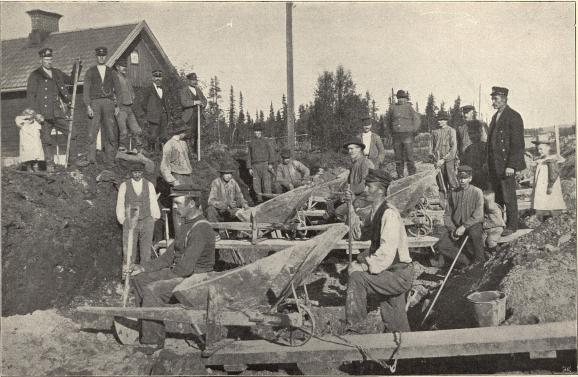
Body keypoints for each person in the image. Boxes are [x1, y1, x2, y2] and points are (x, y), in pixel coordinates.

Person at [130, 185, 215, 349]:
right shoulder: (187, 225)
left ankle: (152, 341)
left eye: (178, 203)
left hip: (197, 278)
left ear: (191, 204)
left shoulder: (202, 229)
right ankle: (147, 327)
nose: (174, 207)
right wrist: (143, 268)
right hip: (183, 273)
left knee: (153, 290)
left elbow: (185, 269)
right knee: (139, 279)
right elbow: (168, 257)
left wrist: (161, 275)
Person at [345, 168, 414, 333]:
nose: (365, 190)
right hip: (389, 272)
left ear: (381, 190)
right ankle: (407, 350)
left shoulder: (389, 214)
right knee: (396, 323)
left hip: (398, 274)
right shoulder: (375, 211)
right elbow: (360, 234)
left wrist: (363, 266)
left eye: (369, 186)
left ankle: (356, 330)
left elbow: (386, 252)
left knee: (357, 279)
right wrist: (352, 211)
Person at [26, 47, 80, 172]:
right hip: (43, 113)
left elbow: (72, 81)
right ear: (41, 60)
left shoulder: (57, 72)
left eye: (50, 59)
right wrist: (36, 114)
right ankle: (49, 164)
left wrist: (77, 66)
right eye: (46, 59)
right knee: (46, 139)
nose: (49, 61)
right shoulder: (35, 75)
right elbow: (30, 96)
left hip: (57, 111)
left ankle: (73, 162)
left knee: (72, 132)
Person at [487, 86, 526, 236]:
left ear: (504, 99)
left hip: (506, 166)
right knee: (498, 196)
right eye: (492, 98)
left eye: (495, 99)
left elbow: (518, 144)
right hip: (495, 165)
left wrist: (511, 165)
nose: (493, 102)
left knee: (509, 195)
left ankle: (512, 225)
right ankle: (499, 223)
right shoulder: (495, 116)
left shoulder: (513, 116)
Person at [435, 165, 485, 266]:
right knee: (442, 245)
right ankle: (466, 262)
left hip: (472, 224)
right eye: (460, 178)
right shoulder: (453, 193)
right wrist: (452, 229)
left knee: (475, 234)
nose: (462, 181)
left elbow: (479, 215)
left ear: (470, 178)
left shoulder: (477, 192)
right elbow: (447, 215)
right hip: (456, 227)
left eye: (465, 178)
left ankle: (480, 262)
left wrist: (464, 226)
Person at [116, 161, 160, 265]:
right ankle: (128, 275)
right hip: (130, 221)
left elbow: (153, 201)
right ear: (131, 172)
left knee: (146, 249)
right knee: (129, 250)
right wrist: (122, 219)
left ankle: (144, 275)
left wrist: (154, 217)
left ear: (142, 172)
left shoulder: (149, 185)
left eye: (139, 172)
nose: (137, 174)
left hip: (146, 220)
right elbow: (120, 203)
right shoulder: (124, 185)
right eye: (135, 172)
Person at [83, 47, 118, 167]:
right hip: (95, 103)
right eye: (99, 56)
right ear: (96, 57)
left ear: (106, 56)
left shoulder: (112, 72)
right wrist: (88, 106)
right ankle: (91, 159)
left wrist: (117, 105)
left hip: (109, 103)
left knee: (110, 131)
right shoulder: (90, 71)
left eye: (103, 56)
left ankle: (110, 160)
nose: (101, 58)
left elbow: (118, 90)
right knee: (92, 132)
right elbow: (86, 90)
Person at [334, 139, 374, 221]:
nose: (349, 151)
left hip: (365, 198)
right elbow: (349, 182)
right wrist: (344, 192)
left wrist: (350, 192)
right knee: (334, 204)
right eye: (348, 149)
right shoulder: (354, 164)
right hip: (356, 196)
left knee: (338, 212)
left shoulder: (365, 163)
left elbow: (365, 184)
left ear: (359, 149)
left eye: (352, 149)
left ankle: (353, 229)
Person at [386, 90, 421, 178]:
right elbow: (387, 121)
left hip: (407, 135)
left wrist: (413, 130)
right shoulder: (392, 108)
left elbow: (417, 120)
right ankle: (400, 175)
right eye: (399, 98)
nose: (401, 100)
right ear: (397, 99)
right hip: (396, 136)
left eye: (403, 98)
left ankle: (412, 175)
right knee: (398, 158)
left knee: (409, 156)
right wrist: (390, 133)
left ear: (406, 99)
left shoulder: (409, 107)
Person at [530, 140, 566, 221]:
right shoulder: (543, 159)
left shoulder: (551, 160)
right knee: (545, 202)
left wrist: (550, 185)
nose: (539, 151)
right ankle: (546, 218)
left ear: (548, 148)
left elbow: (553, 173)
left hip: (549, 185)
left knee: (551, 201)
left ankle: (554, 218)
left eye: (541, 149)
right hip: (543, 185)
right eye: (538, 149)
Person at [113, 58, 142, 153]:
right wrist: (116, 105)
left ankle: (138, 149)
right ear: (117, 67)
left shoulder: (127, 78)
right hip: (121, 108)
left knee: (136, 130)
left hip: (129, 108)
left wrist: (132, 97)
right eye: (122, 66)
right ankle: (122, 149)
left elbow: (132, 92)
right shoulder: (115, 78)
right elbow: (113, 93)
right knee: (124, 131)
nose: (124, 68)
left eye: (125, 66)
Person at [431, 111, 458, 206]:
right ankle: (443, 204)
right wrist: (435, 159)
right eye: (438, 120)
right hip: (438, 161)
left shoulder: (451, 131)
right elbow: (432, 147)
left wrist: (444, 159)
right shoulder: (434, 132)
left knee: (452, 181)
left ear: (446, 120)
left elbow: (454, 148)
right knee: (440, 183)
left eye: (442, 120)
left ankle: (454, 203)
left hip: (448, 161)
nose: (440, 122)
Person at [140, 70, 169, 153]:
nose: (158, 79)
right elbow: (143, 104)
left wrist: (167, 114)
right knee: (153, 135)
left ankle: (161, 154)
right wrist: (150, 112)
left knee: (163, 135)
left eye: (159, 77)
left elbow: (166, 102)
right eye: (156, 77)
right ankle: (151, 153)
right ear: (152, 78)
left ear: (162, 78)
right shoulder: (148, 89)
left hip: (164, 115)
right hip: (153, 116)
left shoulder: (164, 89)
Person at [179, 72, 207, 153]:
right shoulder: (184, 90)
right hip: (188, 116)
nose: (194, 82)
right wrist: (195, 102)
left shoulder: (198, 90)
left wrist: (202, 104)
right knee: (188, 134)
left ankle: (196, 152)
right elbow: (184, 103)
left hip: (198, 115)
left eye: (195, 80)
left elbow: (204, 100)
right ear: (188, 81)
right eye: (192, 80)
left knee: (197, 134)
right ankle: (187, 152)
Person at [247, 124, 275, 202]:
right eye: (256, 131)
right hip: (255, 166)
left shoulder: (266, 141)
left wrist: (270, 163)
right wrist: (249, 168)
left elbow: (271, 153)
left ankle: (268, 199)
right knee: (256, 184)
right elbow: (249, 155)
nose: (257, 132)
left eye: (259, 131)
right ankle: (259, 200)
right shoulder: (251, 143)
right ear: (253, 132)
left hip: (265, 165)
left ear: (261, 132)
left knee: (266, 183)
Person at [160, 121, 193, 187]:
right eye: (185, 132)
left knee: (190, 195)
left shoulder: (184, 143)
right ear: (181, 132)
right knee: (180, 196)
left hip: (188, 176)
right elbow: (164, 165)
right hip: (177, 176)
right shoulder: (169, 144)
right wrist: (172, 180)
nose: (185, 134)